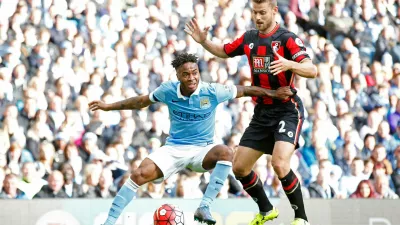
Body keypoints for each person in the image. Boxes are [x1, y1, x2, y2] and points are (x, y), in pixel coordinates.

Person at [88, 53, 294, 225]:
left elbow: (246, 90)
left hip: (202, 151)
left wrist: (274, 94)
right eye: (185, 74)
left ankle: (204, 207)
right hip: (174, 148)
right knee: (138, 174)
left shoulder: (212, 91)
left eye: (194, 72)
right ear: (177, 76)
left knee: (225, 152)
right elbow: (141, 101)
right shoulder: (167, 90)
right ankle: (109, 222)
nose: (191, 78)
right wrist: (108, 106)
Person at [185, 0, 317, 224]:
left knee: (279, 163)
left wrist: (290, 64)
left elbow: (311, 69)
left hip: (287, 110)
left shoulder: (287, 39)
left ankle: (301, 218)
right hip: (262, 112)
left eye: (262, 13)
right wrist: (204, 41)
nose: (258, 17)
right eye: (255, 13)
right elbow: (224, 51)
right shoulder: (249, 39)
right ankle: (266, 210)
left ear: (274, 11)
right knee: (239, 167)